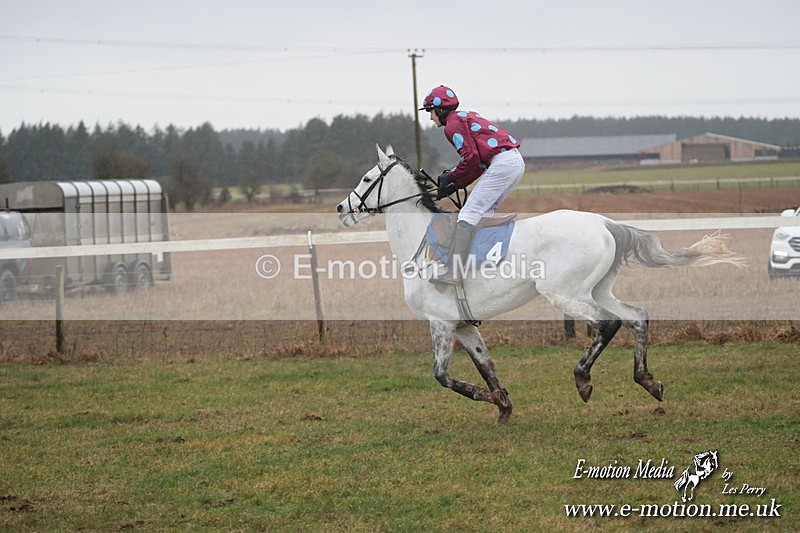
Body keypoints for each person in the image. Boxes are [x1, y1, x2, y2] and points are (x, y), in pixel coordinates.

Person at [420, 85, 525, 286]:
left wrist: (451, 176)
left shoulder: (452, 126)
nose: (430, 117)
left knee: (467, 215)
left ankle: (455, 272)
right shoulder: (462, 117)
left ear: (440, 110)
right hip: (513, 163)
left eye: (430, 111)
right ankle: (481, 267)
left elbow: (471, 159)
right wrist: (455, 183)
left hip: (503, 164)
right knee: (483, 213)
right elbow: (477, 165)